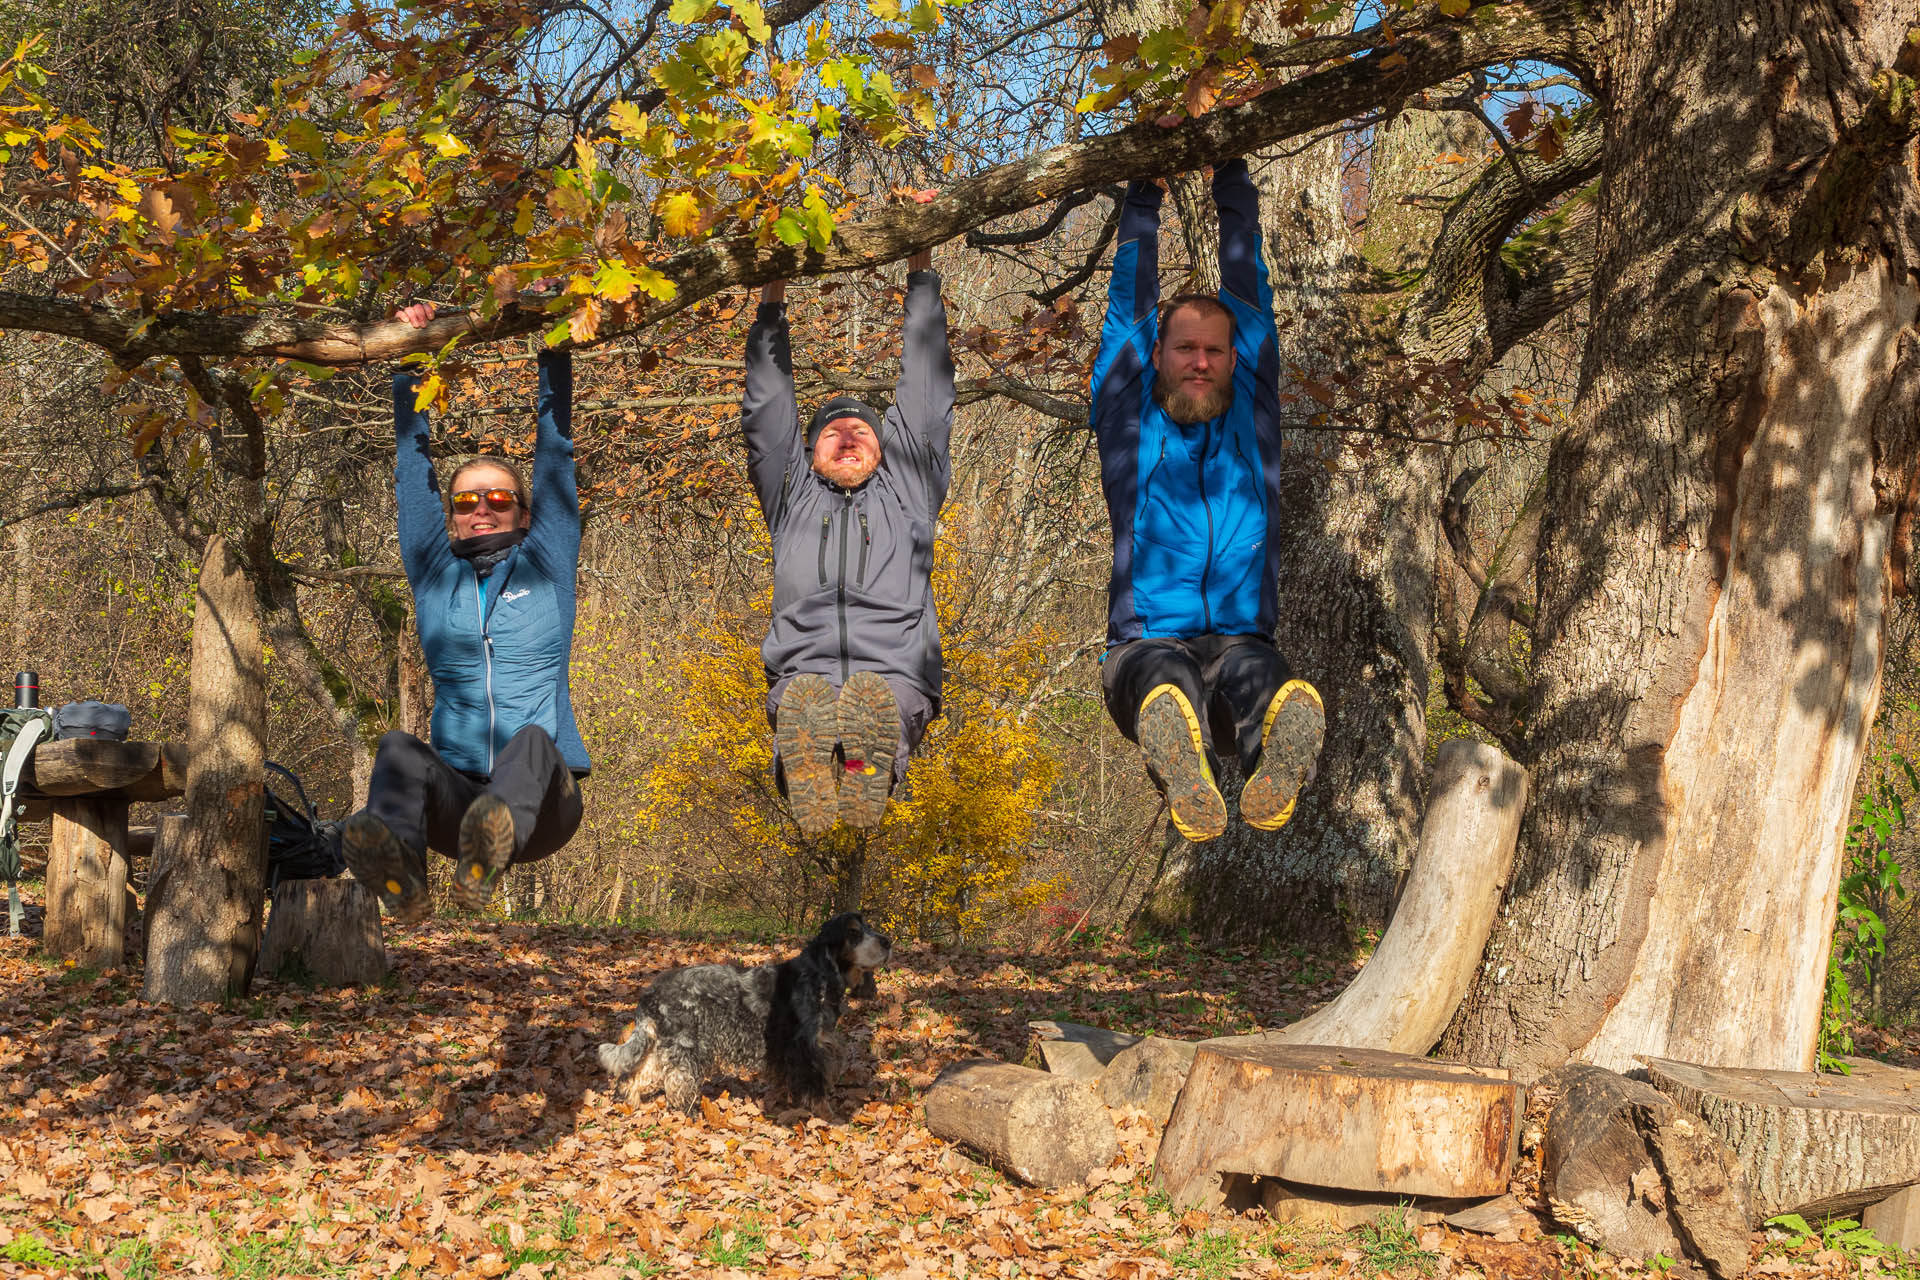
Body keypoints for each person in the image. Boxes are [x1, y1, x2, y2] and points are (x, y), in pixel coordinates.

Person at [1089, 159, 1325, 843]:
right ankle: (1181, 761)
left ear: (1234, 358)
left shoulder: (1253, 421)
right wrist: (1143, 193)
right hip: (1145, 644)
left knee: (1264, 684)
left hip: (1242, 643)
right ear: (1157, 353)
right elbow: (1128, 307)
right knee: (1164, 682)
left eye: (1215, 351)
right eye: (1185, 348)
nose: (1200, 361)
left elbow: (1249, 282)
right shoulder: (1127, 423)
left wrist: (1231, 166)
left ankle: (1275, 754)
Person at [339, 302, 589, 921]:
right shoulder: (434, 572)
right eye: (467, 499)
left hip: (544, 805)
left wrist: (554, 335)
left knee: (531, 741)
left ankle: (493, 837)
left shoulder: (547, 564)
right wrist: (414, 352)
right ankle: (401, 870)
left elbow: (554, 453)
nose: (482, 508)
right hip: (456, 802)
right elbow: (410, 465)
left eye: (499, 497)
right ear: (450, 515)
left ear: (524, 513)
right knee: (398, 747)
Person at [742, 243, 953, 838]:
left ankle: (866, 766)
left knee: (876, 708)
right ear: (808, 454)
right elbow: (768, 411)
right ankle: (805, 761)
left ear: (888, 452)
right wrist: (771, 302)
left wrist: (921, 267)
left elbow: (925, 398)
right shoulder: (791, 497)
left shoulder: (908, 495)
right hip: (803, 667)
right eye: (830, 432)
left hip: (895, 670)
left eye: (861, 429)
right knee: (805, 700)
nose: (847, 435)